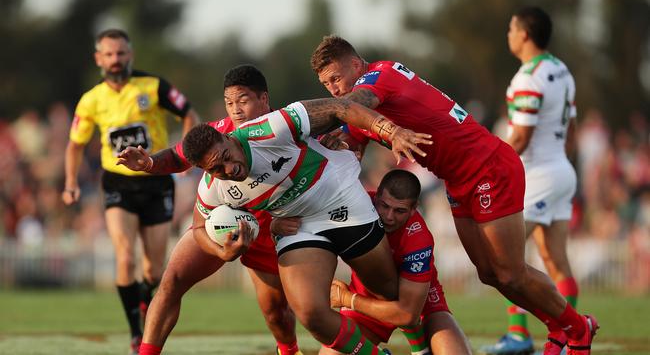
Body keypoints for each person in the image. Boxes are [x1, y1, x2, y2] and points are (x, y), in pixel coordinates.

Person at [310, 35, 598, 355]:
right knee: (490, 274)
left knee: (510, 271)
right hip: (457, 179)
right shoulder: (360, 110)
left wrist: (294, 122)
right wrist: (335, 147)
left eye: (336, 78)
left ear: (355, 64)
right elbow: (349, 145)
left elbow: (350, 108)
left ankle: (575, 327)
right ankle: (560, 327)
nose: (334, 89)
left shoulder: (379, 76)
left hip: (487, 166)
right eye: (327, 84)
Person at [181, 95, 431, 354]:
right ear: (204, 170)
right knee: (311, 313)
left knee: (388, 291)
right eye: (217, 168)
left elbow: (340, 107)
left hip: (341, 199)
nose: (230, 169)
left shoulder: (269, 129)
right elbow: (199, 229)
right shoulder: (212, 189)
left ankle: (422, 349)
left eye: (227, 156)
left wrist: (392, 131)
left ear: (229, 137)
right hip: (298, 226)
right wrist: (222, 252)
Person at [118, 65, 307, 355]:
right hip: (219, 220)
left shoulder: (287, 127)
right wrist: (150, 164)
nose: (236, 110)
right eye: (230, 103)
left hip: (273, 227)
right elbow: (179, 155)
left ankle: (289, 351)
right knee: (171, 282)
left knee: (275, 312)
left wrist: (349, 140)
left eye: (243, 100)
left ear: (265, 99)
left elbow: (335, 119)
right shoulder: (220, 133)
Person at [62, 29, 200, 354]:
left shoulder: (153, 86)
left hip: (155, 181)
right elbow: (74, 145)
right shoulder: (91, 99)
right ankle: (136, 334)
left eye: (120, 53)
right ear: (99, 59)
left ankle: (144, 299)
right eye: (108, 55)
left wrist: (186, 156)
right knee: (124, 257)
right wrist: (70, 182)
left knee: (152, 269)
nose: (115, 60)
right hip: (118, 185)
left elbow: (189, 114)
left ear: (130, 54)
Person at [275, 169, 472, 355]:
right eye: (384, 205)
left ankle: (420, 345)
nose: (388, 216)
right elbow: (312, 208)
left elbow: (407, 314)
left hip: (420, 306)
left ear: (414, 210)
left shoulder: (418, 238)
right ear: (375, 196)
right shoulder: (358, 203)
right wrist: (276, 223)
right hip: (367, 302)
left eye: (399, 211)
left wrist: (347, 299)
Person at [482, 7, 580, 355]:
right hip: (561, 170)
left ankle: (520, 334)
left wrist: (487, 163)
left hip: (536, 173)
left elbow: (520, 138)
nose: (508, 34)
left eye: (511, 28)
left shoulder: (528, 76)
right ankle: (572, 335)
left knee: (503, 260)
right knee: (555, 260)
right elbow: (571, 130)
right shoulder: (562, 70)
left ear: (524, 34)